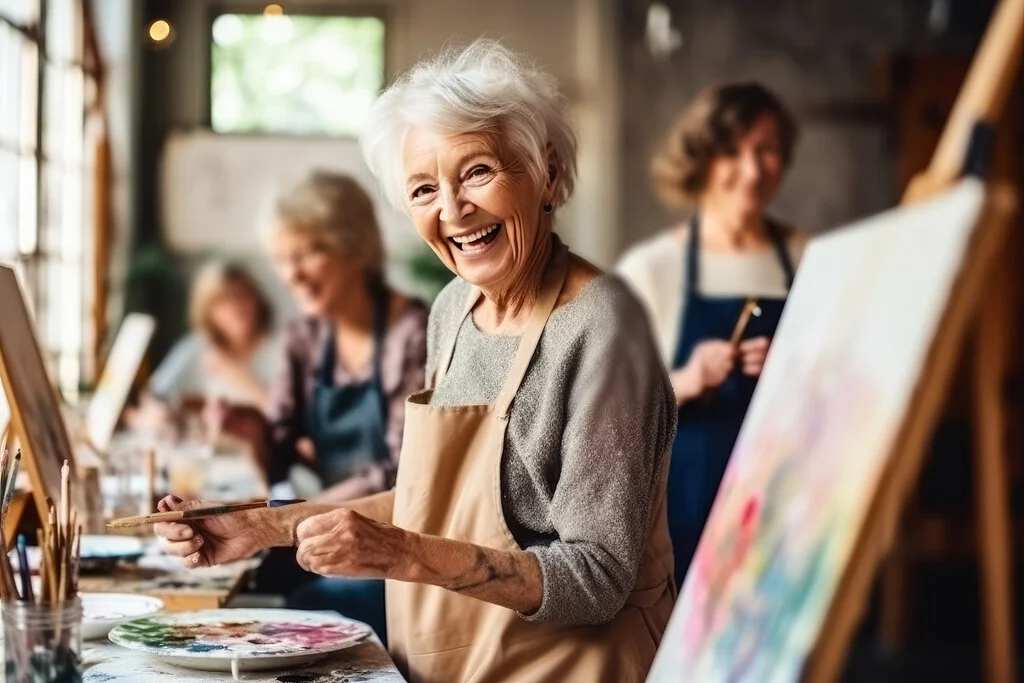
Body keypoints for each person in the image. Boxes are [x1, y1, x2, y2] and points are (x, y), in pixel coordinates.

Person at [156, 40, 676, 683]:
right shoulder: (453, 308)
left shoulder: (603, 325)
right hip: (444, 660)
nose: (453, 210)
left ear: (545, 169)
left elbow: (595, 579)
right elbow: (438, 504)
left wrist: (398, 554)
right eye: (424, 188)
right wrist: (259, 528)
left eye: (478, 171)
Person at [216, 170, 429, 639]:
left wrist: (289, 517)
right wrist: (252, 433)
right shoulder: (304, 336)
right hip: (321, 531)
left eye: (307, 253)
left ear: (354, 248)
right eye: (281, 259)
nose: (291, 275)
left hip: (390, 541)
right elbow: (281, 448)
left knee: (301, 613)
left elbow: (399, 471)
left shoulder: (413, 334)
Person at [617, 82, 808, 587]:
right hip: (686, 513)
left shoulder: (813, 258)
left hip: (791, 505)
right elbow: (610, 418)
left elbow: (849, 389)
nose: (751, 170)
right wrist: (687, 379)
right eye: (730, 151)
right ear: (700, 159)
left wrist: (795, 369)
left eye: (765, 150)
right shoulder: (652, 268)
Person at [142, 260, 279, 424]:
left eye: (242, 295)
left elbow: (281, 414)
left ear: (257, 299)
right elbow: (155, 392)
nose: (235, 308)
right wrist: (156, 413)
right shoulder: (197, 347)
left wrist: (235, 372)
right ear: (207, 311)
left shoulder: (281, 347)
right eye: (222, 301)